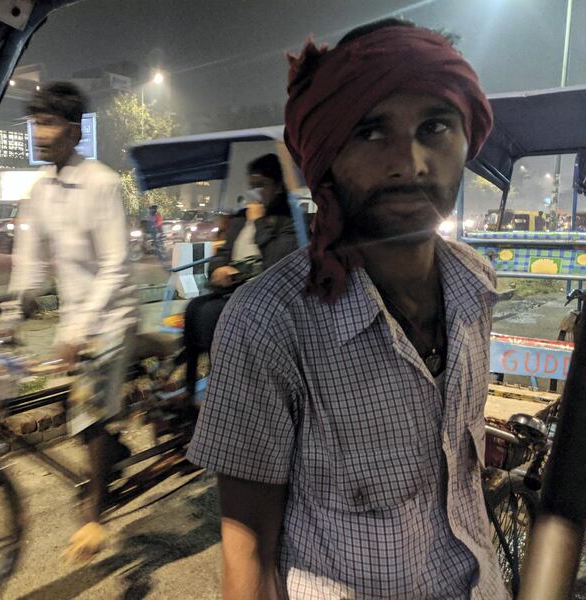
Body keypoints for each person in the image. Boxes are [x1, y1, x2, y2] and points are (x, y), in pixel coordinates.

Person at [187, 19, 508, 599]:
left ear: (467, 139)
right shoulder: (269, 322)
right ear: (327, 158)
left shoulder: (475, 286)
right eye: (369, 132)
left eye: (435, 126)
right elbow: (249, 553)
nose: (409, 163)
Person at [4, 81, 137, 563]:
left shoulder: (101, 183)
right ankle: (114, 455)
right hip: (74, 326)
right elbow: (31, 265)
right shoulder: (40, 190)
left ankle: (94, 515)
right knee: (72, 414)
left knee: (89, 411)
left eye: (49, 122)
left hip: (110, 318)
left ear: (75, 131)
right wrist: (9, 317)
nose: (39, 133)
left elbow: (116, 265)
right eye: (34, 123)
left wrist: (82, 333)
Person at [182, 153, 300, 401]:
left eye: (262, 185)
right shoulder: (239, 218)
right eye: (252, 185)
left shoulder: (288, 220)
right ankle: (191, 390)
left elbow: (276, 262)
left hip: (263, 296)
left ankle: (226, 391)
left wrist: (258, 224)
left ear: (278, 186)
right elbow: (221, 253)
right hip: (231, 290)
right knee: (193, 308)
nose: (256, 192)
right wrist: (218, 269)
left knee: (219, 316)